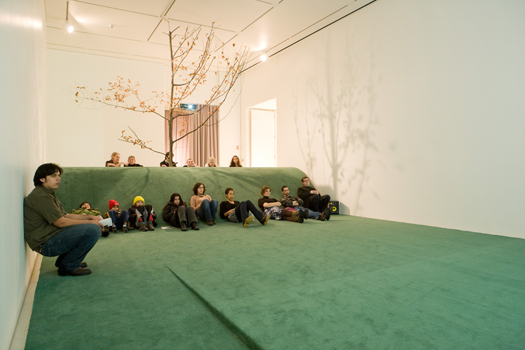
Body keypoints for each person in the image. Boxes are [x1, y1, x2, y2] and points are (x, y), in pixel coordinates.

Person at [24, 163, 102, 276]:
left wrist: (90, 217)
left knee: (89, 226)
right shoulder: (41, 196)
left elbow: (65, 215)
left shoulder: (48, 193)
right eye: (53, 175)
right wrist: (91, 222)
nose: (58, 178)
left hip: (50, 238)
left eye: (59, 175)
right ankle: (69, 266)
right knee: (93, 230)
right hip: (46, 244)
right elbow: (60, 222)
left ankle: (65, 261)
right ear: (41, 179)